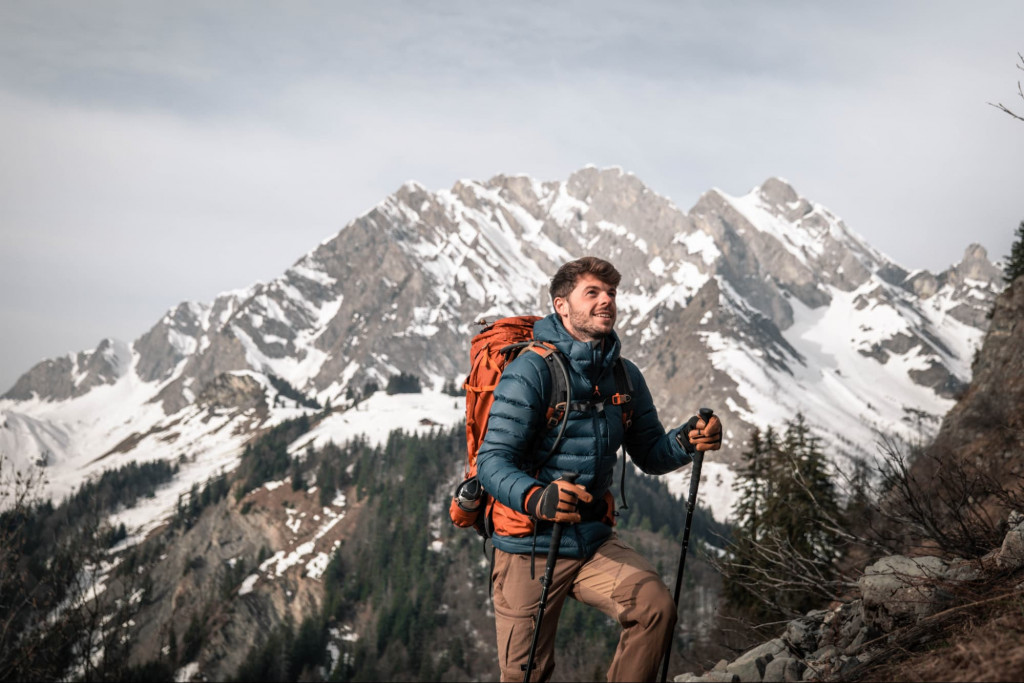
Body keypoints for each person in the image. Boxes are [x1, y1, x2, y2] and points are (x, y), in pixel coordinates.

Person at [476, 255, 723, 682]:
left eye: (610, 293)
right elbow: (492, 462)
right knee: (525, 675)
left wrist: (687, 441)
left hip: (590, 539)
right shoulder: (530, 370)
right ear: (561, 305)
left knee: (655, 609)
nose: (606, 301)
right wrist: (539, 497)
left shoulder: (624, 376)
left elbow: (650, 453)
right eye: (592, 292)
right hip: (527, 547)